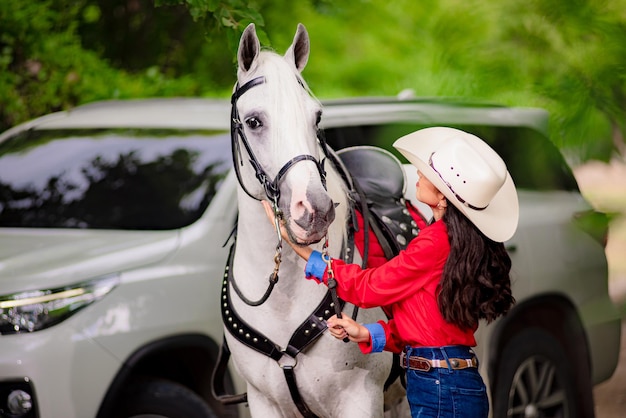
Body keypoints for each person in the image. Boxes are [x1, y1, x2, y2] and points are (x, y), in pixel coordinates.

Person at [262, 126, 518, 418]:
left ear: (445, 197)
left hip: (441, 389)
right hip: (446, 383)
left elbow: (369, 287)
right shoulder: (453, 240)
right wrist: (365, 332)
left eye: (429, 172)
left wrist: (302, 250)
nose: (418, 172)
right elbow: (430, 329)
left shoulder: (435, 242)